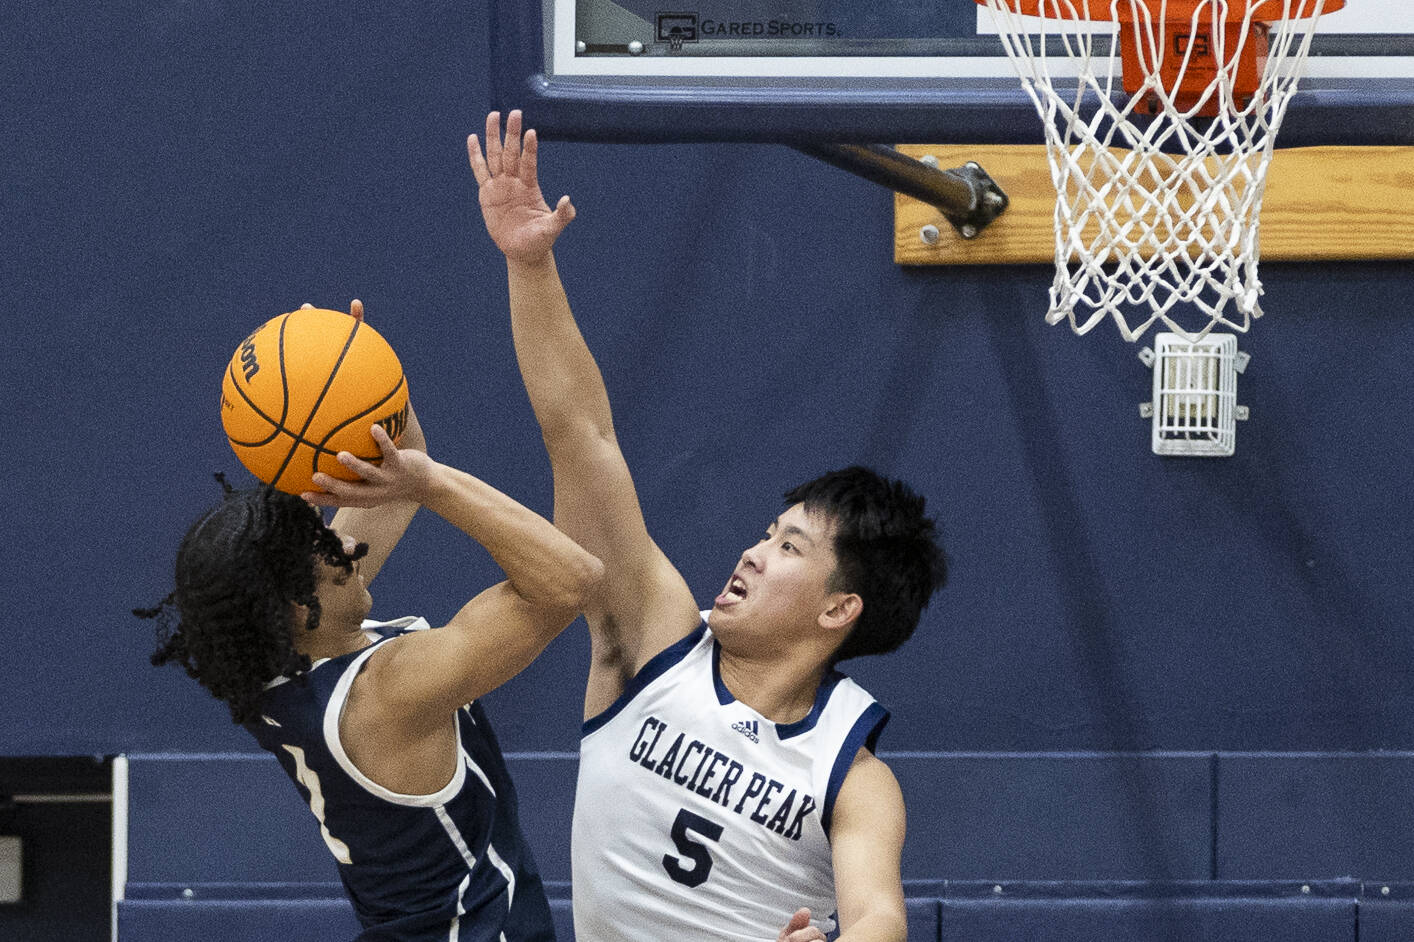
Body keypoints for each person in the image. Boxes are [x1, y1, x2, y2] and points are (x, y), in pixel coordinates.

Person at [467, 112, 948, 942]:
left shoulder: (854, 775)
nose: (754, 553)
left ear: (840, 608)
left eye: (789, 547)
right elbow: (581, 436)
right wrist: (530, 265)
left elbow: (879, 916)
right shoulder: (652, 639)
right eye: (766, 533)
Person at [136, 300, 603, 942]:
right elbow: (571, 579)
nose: (352, 548)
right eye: (333, 562)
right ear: (297, 607)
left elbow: (397, 461)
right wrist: (433, 486)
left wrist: (351, 368)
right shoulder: (386, 694)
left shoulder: (275, 659)